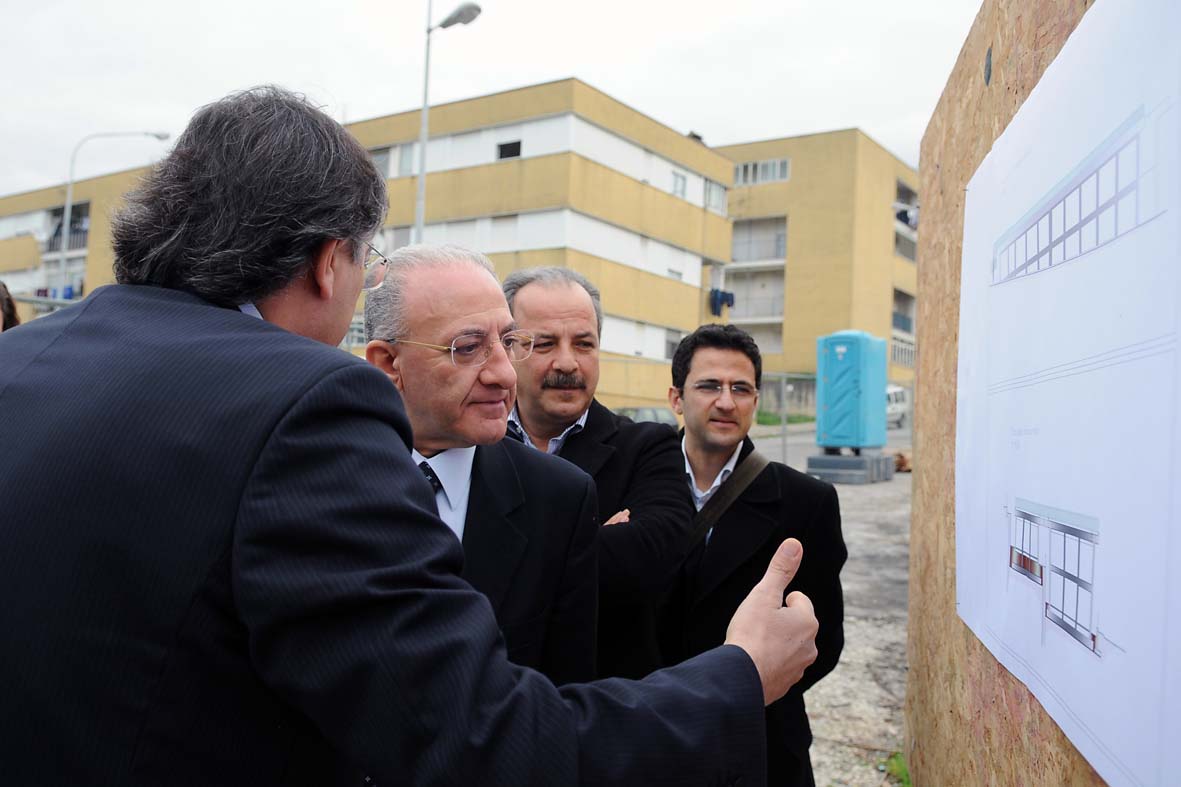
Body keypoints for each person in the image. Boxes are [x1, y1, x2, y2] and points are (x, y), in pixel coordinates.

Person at [0, 86, 819, 787]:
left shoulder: (20, 361)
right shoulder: (303, 401)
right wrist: (737, 676)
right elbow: (480, 737)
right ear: (329, 263)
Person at [364, 244, 598, 685]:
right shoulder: (317, 479)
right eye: (468, 347)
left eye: (508, 343)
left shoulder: (559, 498)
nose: (505, 374)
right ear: (389, 363)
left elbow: (566, 696)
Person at [659, 324, 847, 786]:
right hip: (650, 735)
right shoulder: (633, 481)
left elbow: (822, 641)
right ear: (677, 398)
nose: (726, 401)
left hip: (758, 741)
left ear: (756, 402)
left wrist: (741, 693)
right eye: (709, 386)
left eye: (740, 388)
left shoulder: (807, 501)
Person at [503, 267, 696, 679]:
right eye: (545, 343)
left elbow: (659, 552)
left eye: (584, 344)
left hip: (605, 703)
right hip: (493, 698)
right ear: (507, 349)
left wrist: (504, 545)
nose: (568, 363)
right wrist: (593, 538)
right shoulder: (472, 444)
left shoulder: (647, 447)